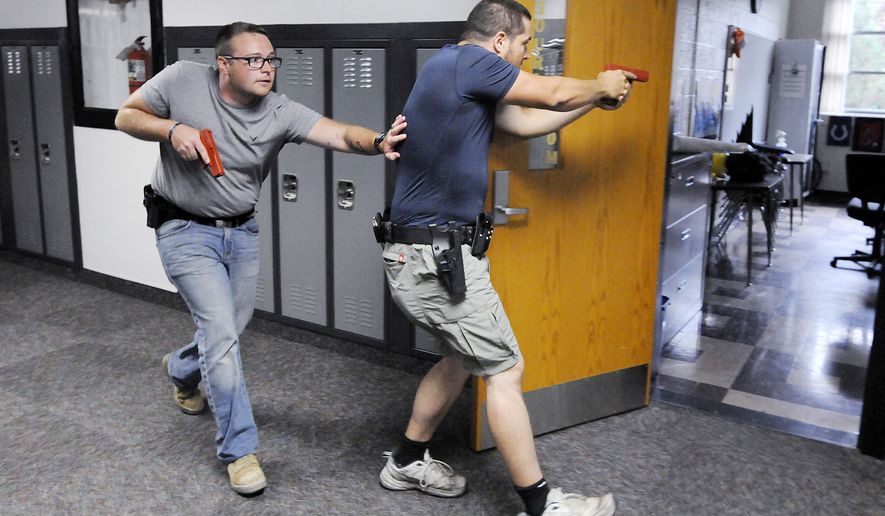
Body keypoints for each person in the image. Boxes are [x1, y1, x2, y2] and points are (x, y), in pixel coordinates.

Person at [115, 21, 405, 495]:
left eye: (271, 60)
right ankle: (240, 450)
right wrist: (172, 129)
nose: (266, 69)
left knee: (229, 330)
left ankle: (182, 368)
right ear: (223, 64)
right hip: (183, 227)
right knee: (222, 337)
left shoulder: (280, 111)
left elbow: (338, 134)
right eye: (254, 60)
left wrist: (378, 142)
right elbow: (126, 115)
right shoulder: (183, 78)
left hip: (242, 230)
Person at [376, 1, 633, 515]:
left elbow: (526, 121)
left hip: (426, 253)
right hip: (432, 255)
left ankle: (406, 461)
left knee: (461, 358)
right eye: (524, 44)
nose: (527, 53)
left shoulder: (458, 72)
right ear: (498, 41)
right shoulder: (469, 62)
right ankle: (542, 507)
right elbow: (554, 90)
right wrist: (599, 84)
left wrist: (593, 104)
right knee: (505, 369)